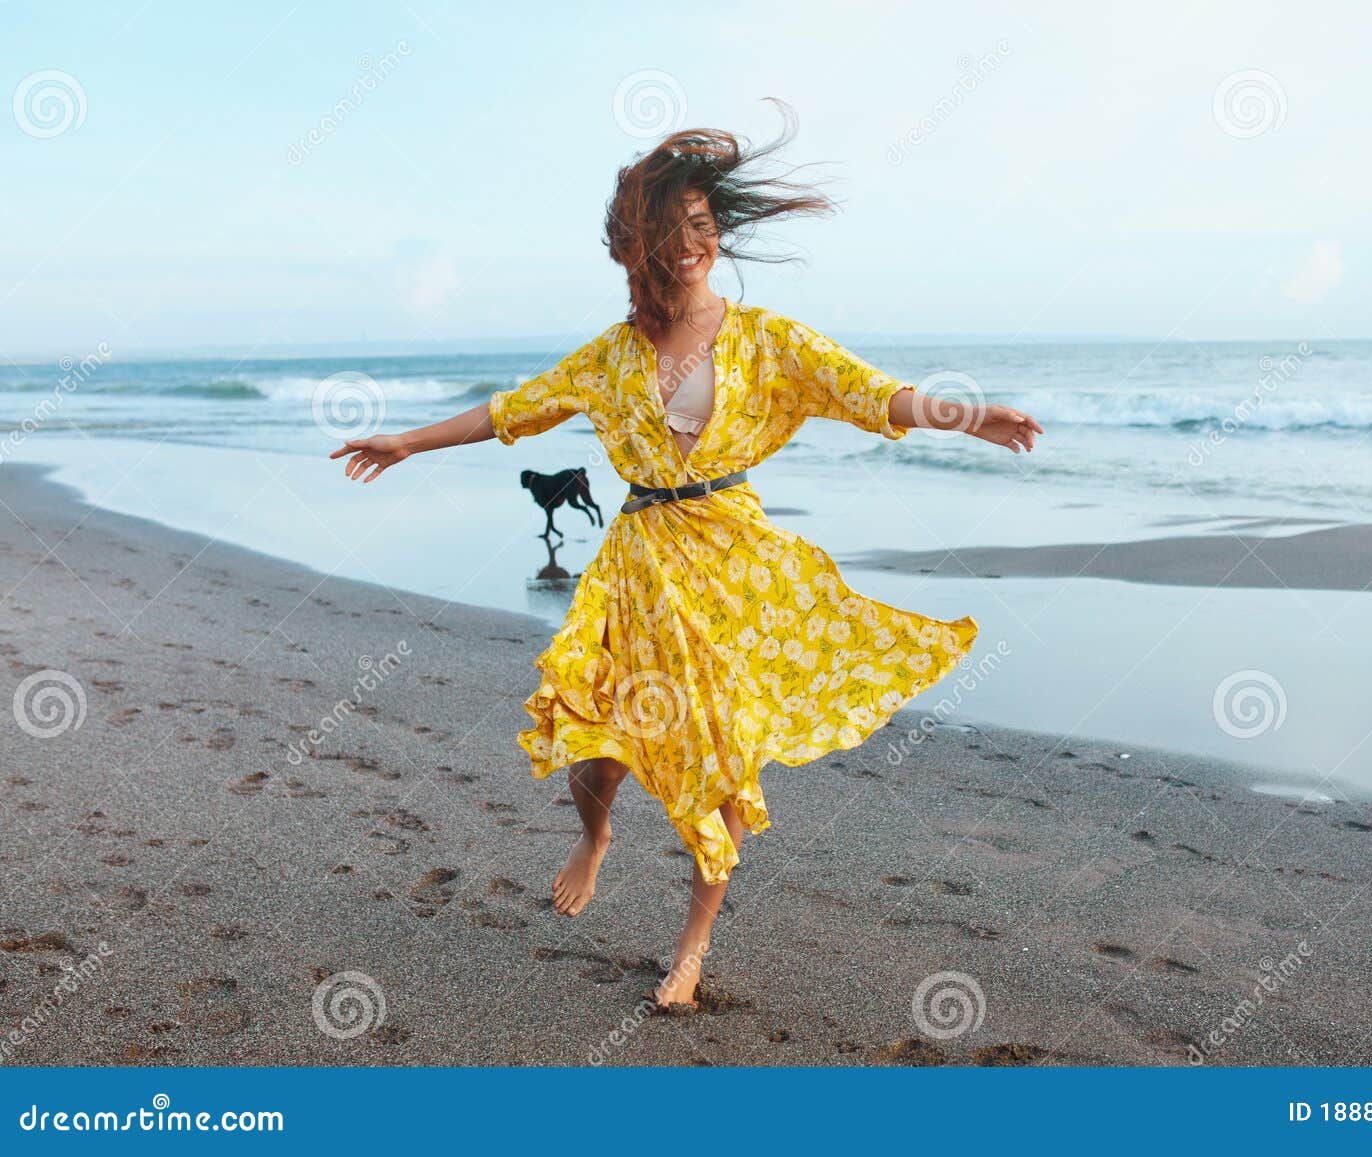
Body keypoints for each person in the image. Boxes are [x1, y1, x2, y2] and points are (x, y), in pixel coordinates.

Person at [331, 113, 1043, 1009]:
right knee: (598, 733)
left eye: (704, 229)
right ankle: (595, 836)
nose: (692, 247)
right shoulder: (609, 355)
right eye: (673, 233)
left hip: (733, 562)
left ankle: (692, 948)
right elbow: (511, 411)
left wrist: (973, 416)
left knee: (727, 751)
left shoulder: (768, 340)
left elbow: (874, 395)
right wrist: (408, 440)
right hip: (638, 563)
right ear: (639, 246)